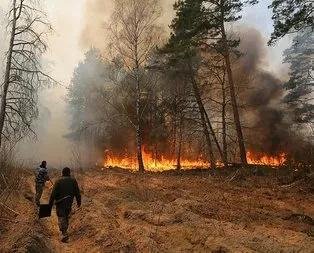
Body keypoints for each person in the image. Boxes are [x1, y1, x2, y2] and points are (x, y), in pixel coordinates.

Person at [49, 167, 81, 243]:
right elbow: (77, 193)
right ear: (69, 173)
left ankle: (64, 233)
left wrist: (50, 204)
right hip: (69, 203)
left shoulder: (58, 181)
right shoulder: (73, 181)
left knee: (61, 217)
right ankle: (65, 230)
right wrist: (79, 202)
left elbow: (53, 194)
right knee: (66, 216)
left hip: (60, 203)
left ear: (62, 173)